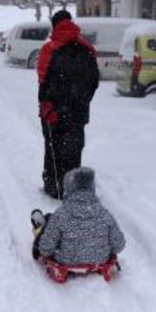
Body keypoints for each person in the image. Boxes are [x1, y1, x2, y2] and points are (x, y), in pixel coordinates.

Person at [36, 10, 100, 199]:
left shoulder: (49, 49)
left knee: (53, 148)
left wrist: (48, 103)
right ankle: (74, 188)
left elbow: (42, 79)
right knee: (74, 148)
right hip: (78, 111)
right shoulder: (88, 48)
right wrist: (82, 101)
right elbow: (94, 80)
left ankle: (54, 186)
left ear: (54, 24)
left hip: (53, 111)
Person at [34, 167, 125, 265]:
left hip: (67, 260)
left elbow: (45, 249)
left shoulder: (61, 214)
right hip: (100, 260)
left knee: (50, 222)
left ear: (68, 189)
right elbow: (119, 246)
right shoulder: (104, 214)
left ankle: (40, 225)